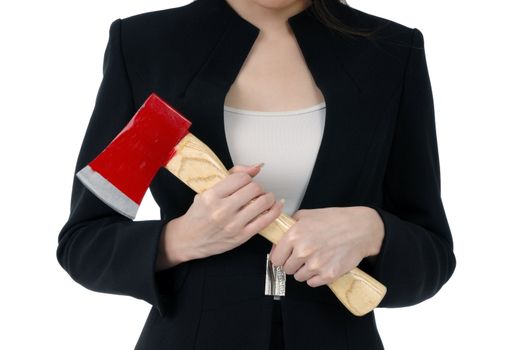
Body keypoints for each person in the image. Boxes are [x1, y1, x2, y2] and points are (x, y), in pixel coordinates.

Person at [56, 0, 456, 349]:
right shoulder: (149, 48)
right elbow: (85, 243)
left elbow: (433, 255)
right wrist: (180, 239)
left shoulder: (389, 54)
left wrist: (372, 230)